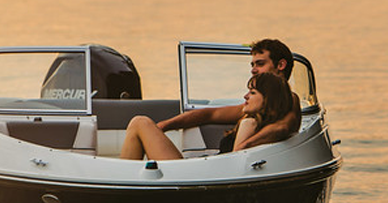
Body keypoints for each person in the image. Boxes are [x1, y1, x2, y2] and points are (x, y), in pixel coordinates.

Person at [119, 38, 301, 161]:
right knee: (143, 124)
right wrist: (164, 126)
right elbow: (211, 114)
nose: (253, 69)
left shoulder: (287, 100)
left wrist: (243, 148)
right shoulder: (260, 108)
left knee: (139, 123)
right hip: (212, 169)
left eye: (260, 64)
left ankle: (121, 189)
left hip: (206, 175)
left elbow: (284, 126)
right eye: (252, 65)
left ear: (281, 65)